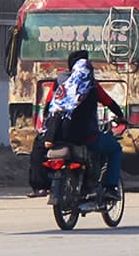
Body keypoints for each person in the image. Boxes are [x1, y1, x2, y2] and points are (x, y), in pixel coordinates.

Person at [27, 49, 127, 198]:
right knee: (115, 149)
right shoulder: (91, 85)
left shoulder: (61, 84)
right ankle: (110, 188)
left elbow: (48, 106)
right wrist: (121, 116)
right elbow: (109, 103)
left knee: (38, 146)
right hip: (86, 137)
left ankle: (40, 186)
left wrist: (49, 132)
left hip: (59, 135)